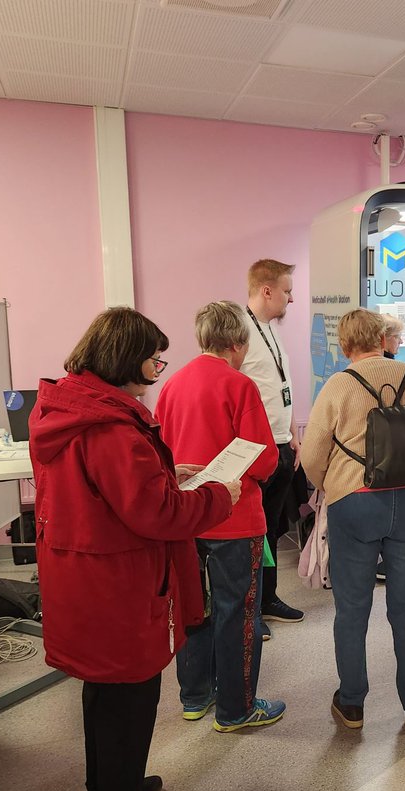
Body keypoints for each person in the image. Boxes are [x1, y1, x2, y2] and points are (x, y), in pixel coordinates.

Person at [29, 308, 240, 791]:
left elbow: (116, 494)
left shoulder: (70, 409)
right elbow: (157, 515)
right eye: (154, 358)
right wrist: (219, 496)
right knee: (131, 695)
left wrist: (173, 475)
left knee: (102, 691)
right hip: (118, 582)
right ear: (129, 359)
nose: (157, 369)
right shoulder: (112, 427)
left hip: (84, 574)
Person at [301, 308, 405, 731]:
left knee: (351, 609)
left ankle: (352, 704)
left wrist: (331, 486)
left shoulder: (338, 385)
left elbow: (312, 457)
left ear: (345, 345)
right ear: (384, 338)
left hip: (354, 502)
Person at [155, 301, 286, 732]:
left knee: (193, 607)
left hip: (183, 516)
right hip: (233, 518)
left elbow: (159, 453)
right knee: (238, 613)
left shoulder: (171, 386)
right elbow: (265, 460)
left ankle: (194, 696)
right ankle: (236, 708)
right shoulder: (239, 385)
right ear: (238, 342)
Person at [241, 259, 305, 637]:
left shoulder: (270, 328)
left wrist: (294, 433)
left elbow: (281, 387)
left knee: (272, 528)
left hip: (282, 444)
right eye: (286, 290)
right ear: (267, 291)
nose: (291, 298)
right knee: (254, 534)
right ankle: (252, 609)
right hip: (256, 450)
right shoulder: (241, 331)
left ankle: (270, 598)